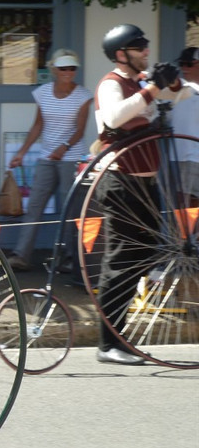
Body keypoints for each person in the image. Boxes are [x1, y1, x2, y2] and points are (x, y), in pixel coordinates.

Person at [93, 24, 187, 365]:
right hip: (121, 184)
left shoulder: (139, 81)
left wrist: (172, 80)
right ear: (122, 54)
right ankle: (108, 344)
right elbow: (117, 115)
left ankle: (120, 338)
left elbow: (182, 93)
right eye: (139, 46)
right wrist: (152, 89)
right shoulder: (111, 84)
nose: (146, 50)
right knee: (120, 262)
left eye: (146, 45)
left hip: (146, 185)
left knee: (142, 257)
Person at [7, 49, 93, 272]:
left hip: (71, 158)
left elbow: (80, 130)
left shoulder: (83, 95)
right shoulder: (43, 92)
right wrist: (22, 152)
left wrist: (63, 148)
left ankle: (69, 257)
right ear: (54, 70)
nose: (68, 72)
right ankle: (21, 255)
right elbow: (38, 125)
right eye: (63, 68)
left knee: (70, 209)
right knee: (34, 205)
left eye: (72, 68)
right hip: (47, 156)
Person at [170, 47, 199, 207]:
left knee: (190, 207)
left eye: (188, 64)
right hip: (177, 157)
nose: (184, 68)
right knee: (183, 207)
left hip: (193, 156)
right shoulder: (176, 91)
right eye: (181, 64)